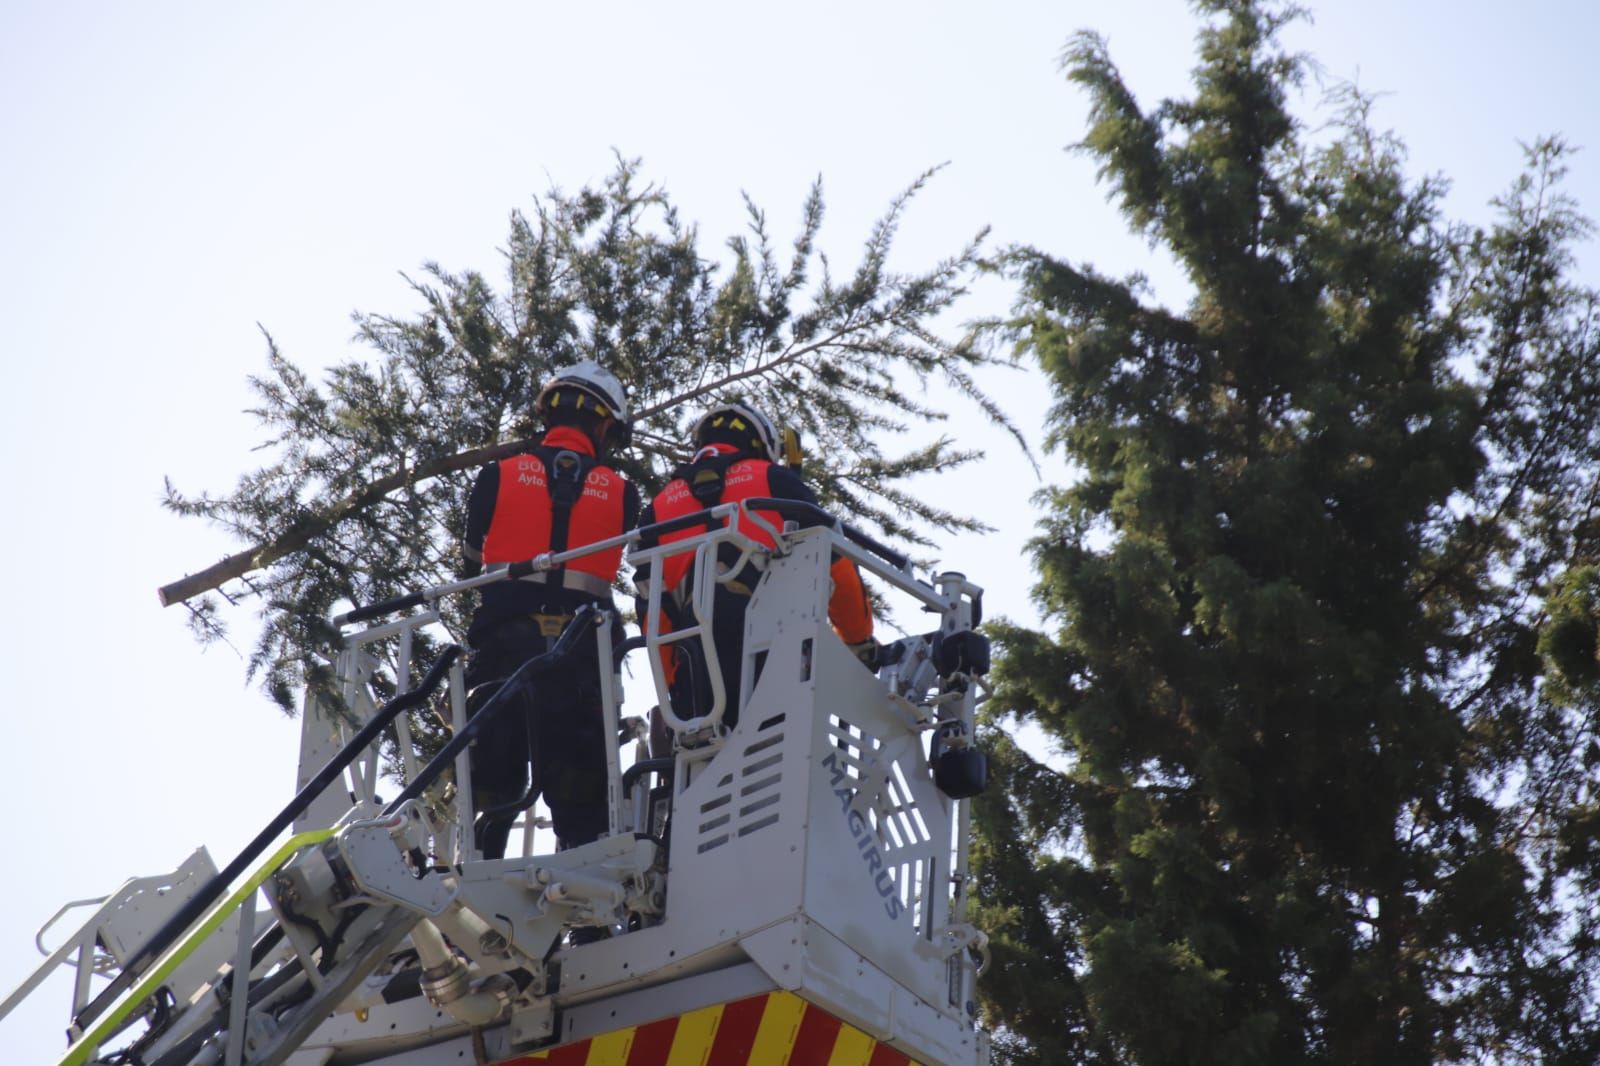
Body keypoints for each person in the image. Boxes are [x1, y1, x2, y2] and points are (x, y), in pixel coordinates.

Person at [460, 361, 640, 860]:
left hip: (503, 650)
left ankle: (477, 872)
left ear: (548, 413)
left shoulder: (497, 475)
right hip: (580, 658)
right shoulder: (623, 493)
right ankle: (585, 888)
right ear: (605, 426)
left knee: (491, 785)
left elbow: (472, 563)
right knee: (582, 797)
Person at [634, 401, 875, 730]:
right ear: (762, 445)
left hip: (697, 674)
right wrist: (859, 641)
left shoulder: (658, 508)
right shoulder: (774, 479)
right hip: (772, 658)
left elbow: (653, 614)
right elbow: (835, 565)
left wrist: (676, 689)